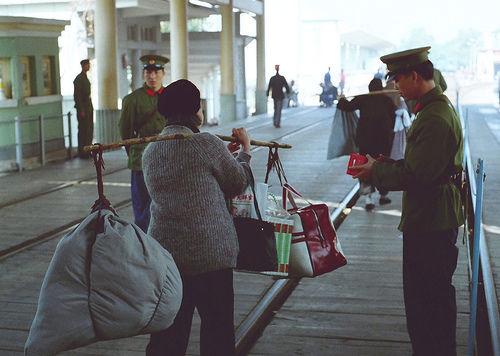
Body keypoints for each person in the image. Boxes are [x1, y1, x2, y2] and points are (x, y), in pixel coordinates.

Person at [352, 46, 464, 356]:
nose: (396, 86)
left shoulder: (434, 118)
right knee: (428, 299)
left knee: (427, 301)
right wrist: (387, 164)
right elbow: (421, 164)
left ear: (415, 76)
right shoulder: (431, 110)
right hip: (430, 216)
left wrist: (377, 171)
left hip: (431, 221)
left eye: (399, 79)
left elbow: (417, 174)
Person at [142, 79, 251, 356]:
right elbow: (237, 181)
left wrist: (219, 158)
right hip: (210, 254)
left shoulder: (150, 151)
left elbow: (189, 174)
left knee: (169, 333)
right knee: (217, 331)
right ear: (195, 111)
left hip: (168, 258)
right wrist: (246, 151)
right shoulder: (206, 143)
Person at [119, 54, 169, 232]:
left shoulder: (171, 97)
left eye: (156, 72)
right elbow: (125, 133)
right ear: (143, 74)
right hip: (141, 160)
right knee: (142, 206)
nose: (152, 76)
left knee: (166, 203)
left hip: (168, 158)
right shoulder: (132, 100)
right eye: (148, 72)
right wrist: (134, 154)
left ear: (163, 73)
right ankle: (143, 242)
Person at [337, 78, 396, 210]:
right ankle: (383, 195)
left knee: (365, 167)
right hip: (383, 142)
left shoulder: (363, 99)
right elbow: (393, 119)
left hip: (366, 141)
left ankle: (368, 199)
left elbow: (347, 106)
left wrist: (341, 99)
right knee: (383, 166)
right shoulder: (387, 101)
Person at [73, 59, 93, 158]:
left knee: (88, 129)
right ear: (83, 66)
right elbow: (78, 96)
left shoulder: (85, 77)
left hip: (88, 107)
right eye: (87, 65)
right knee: (83, 130)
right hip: (83, 108)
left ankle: (88, 150)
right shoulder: (79, 79)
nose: (89, 66)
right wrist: (81, 110)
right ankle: (82, 151)